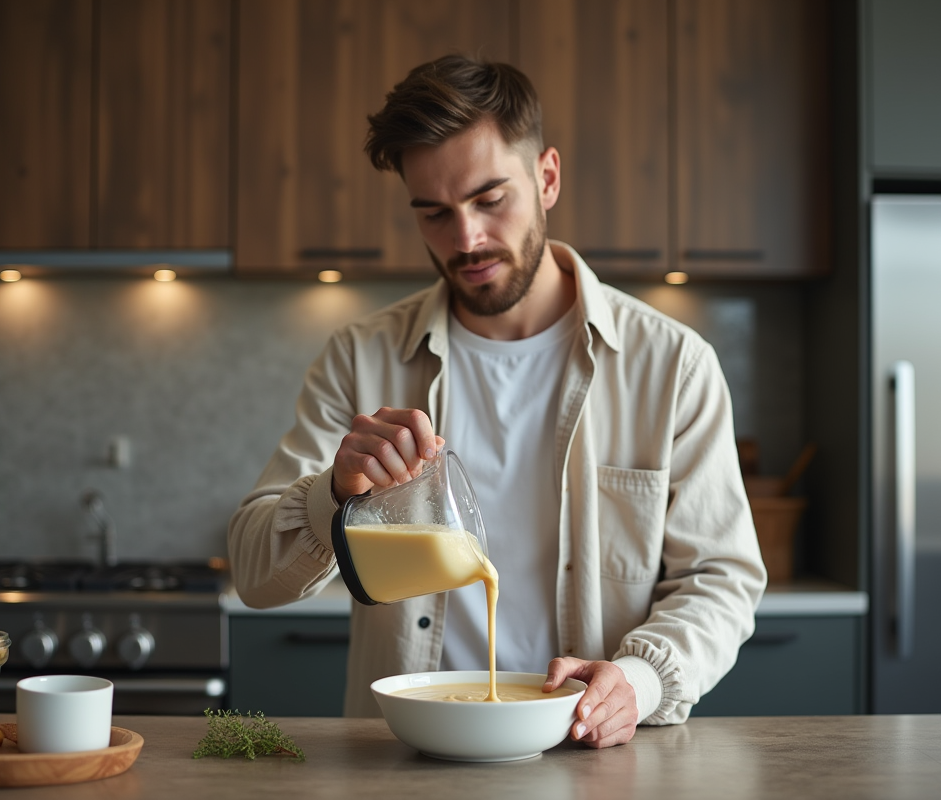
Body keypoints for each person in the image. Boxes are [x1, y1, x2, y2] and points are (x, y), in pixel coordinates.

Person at [229, 54, 766, 749]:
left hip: (591, 757)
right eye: (434, 213)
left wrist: (641, 679)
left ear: (547, 177)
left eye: (490, 199)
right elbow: (253, 575)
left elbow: (720, 579)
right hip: (408, 760)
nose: (466, 239)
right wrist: (334, 492)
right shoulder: (358, 359)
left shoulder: (673, 365)